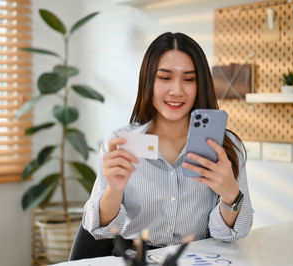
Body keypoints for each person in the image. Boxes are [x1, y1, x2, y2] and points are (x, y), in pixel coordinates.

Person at [82, 32, 253, 248]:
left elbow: (228, 235)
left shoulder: (226, 147)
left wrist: (230, 195)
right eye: (165, 78)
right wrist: (113, 191)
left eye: (189, 79)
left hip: (197, 259)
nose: (176, 90)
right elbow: (98, 229)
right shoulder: (121, 142)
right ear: (148, 82)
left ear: (200, 85)